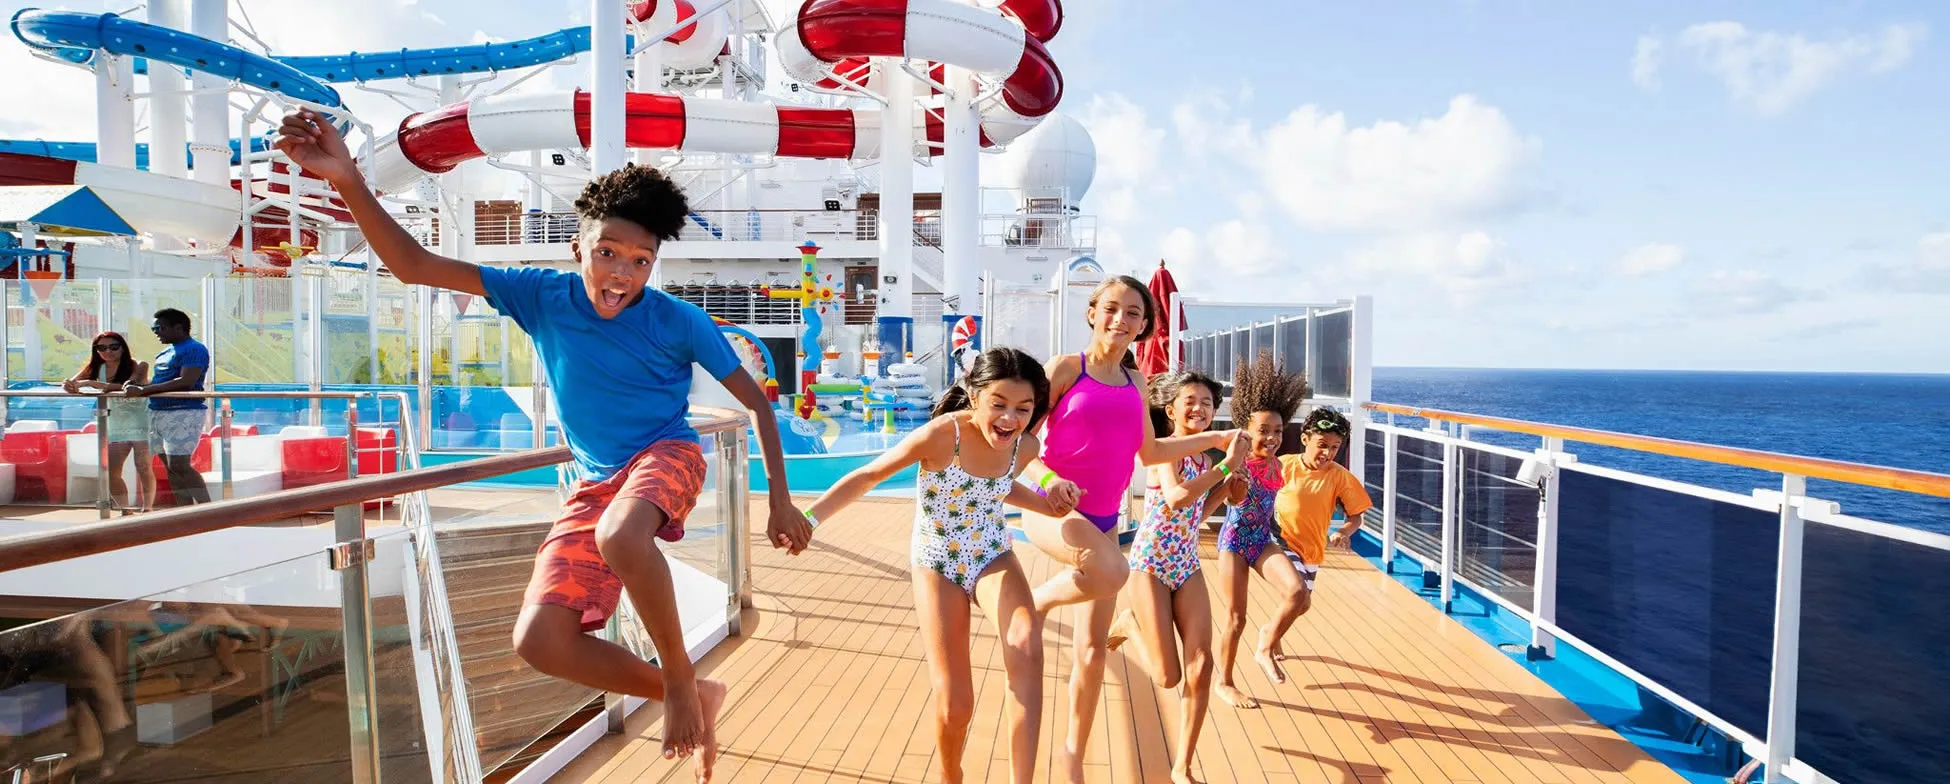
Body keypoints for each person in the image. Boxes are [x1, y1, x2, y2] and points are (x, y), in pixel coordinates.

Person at [275, 108, 813, 782]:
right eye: (608, 252)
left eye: (640, 262)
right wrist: (350, 180)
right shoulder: (541, 295)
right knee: (540, 640)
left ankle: (680, 678)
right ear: (577, 248)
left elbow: (759, 403)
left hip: (667, 456)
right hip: (597, 483)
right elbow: (413, 265)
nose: (621, 272)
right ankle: (692, 691)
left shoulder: (679, 321)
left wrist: (780, 504)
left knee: (623, 536)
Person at [802, 347, 1061, 784]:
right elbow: (869, 476)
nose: (1010, 419)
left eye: (1023, 408)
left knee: (1026, 641)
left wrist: (1050, 502)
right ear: (974, 395)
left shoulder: (1025, 444)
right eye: (998, 404)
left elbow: (998, 486)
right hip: (937, 560)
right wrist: (809, 520)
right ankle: (949, 774)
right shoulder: (943, 436)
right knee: (956, 703)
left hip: (991, 553)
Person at [1017, 275, 1237, 782]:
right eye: (1112, 308)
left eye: (1134, 313)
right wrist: (1050, 479)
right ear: (1093, 312)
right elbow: (1023, 444)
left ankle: (1073, 753)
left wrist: (1219, 438)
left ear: (1144, 325)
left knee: (1093, 652)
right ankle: (1036, 602)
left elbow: (1151, 453)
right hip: (1052, 509)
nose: (1121, 319)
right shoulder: (1067, 369)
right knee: (1113, 569)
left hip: (1103, 521)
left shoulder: (1137, 383)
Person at [1107, 370, 1244, 784]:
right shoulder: (1164, 450)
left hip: (1185, 563)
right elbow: (1175, 496)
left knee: (1201, 667)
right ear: (1171, 410)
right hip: (1149, 563)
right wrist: (1225, 471)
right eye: (1190, 401)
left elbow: (1193, 515)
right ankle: (1130, 621)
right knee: (1168, 677)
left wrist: (1227, 491)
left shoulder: (1205, 460)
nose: (1199, 408)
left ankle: (1182, 764)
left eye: (1207, 403)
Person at [1210, 351, 1310, 710]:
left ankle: (1266, 642)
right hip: (1234, 542)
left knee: (1298, 593)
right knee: (1236, 618)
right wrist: (1234, 478)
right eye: (1263, 431)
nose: (1271, 437)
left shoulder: (1278, 465)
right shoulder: (1239, 463)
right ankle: (1224, 681)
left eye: (1278, 431)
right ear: (1246, 430)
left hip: (1261, 540)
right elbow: (1231, 502)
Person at [1267, 407, 1372, 655]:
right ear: (1305, 440)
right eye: (1322, 444)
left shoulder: (1340, 477)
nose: (1327, 453)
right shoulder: (1284, 465)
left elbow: (1356, 517)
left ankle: (1270, 630)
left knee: (1302, 605)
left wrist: (1345, 531)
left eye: (1335, 447)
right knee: (1296, 592)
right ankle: (1268, 642)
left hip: (1311, 549)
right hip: (1281, 540)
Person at [124, 310, 210, 506]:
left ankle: (209, 510)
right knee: (169, 467)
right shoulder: (165, 352)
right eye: (154, 328)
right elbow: (159, 382)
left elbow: (186, 381)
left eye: (159, 328)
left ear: (178, 327)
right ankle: (184, 511)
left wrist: (144, 391)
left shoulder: (194, 349)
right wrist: (138, 387)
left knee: (179, 465)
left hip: (182, 411)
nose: (156, 332)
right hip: (157, 412)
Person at [63, 331, 156, 511]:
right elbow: (72, 383)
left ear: (123, 347)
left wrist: (94, 384)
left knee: (144, 467)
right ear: (96, 350)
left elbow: (130, 386)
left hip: (141, 422)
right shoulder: (98, 368)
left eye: (114, 347)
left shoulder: (138, 365)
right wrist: (70, 385)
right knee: (111, 472)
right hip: (115, 424)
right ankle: (125, 509)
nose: (108, 351)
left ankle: (148, 509)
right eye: (102, 348)